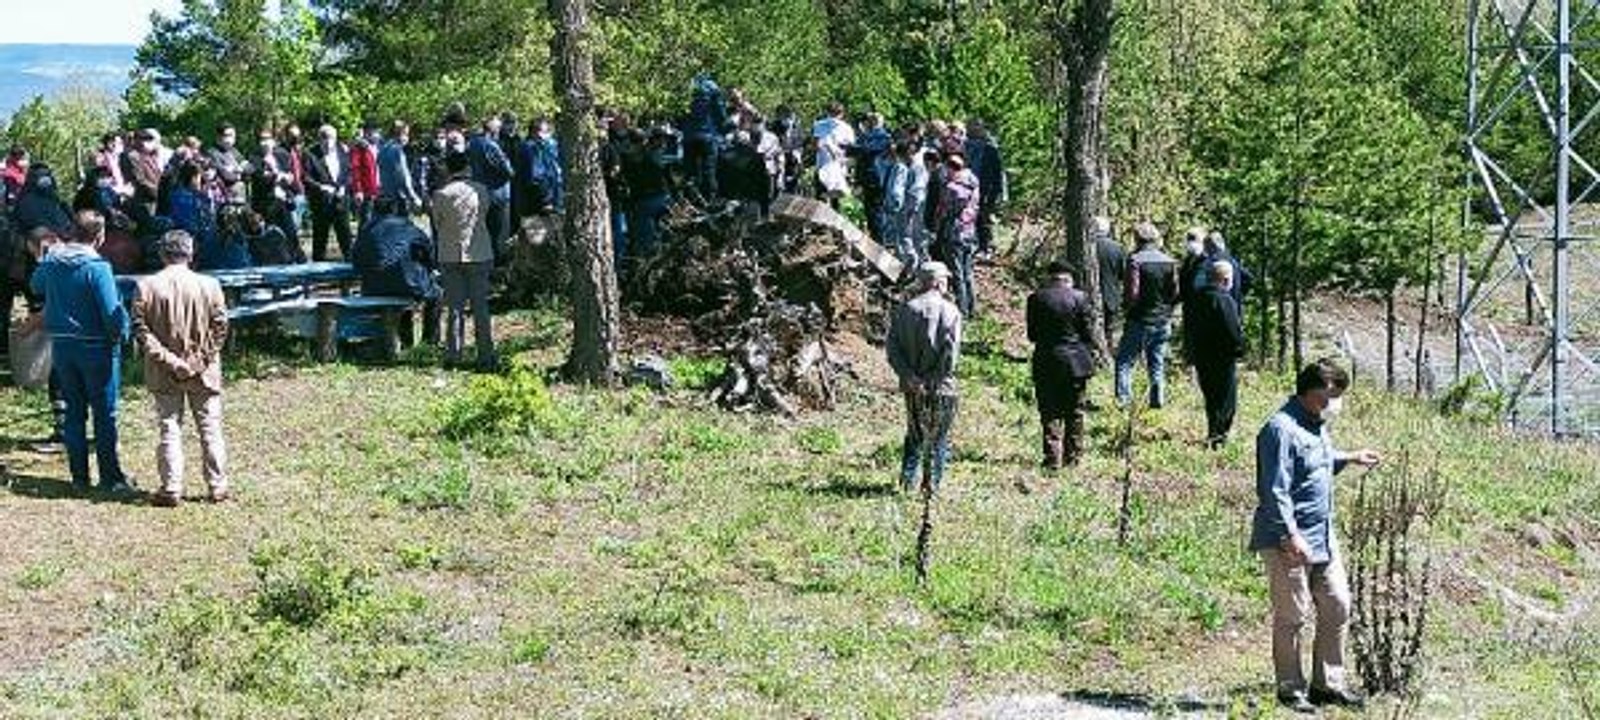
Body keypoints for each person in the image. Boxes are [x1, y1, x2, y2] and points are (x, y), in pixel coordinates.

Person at [1250, 359, 1381, 713]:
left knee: (1337, 603)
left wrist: (1350, 458)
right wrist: (1289, 535)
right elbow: (1274, 489)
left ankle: (1329, 685)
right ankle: (1290, 689)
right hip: (1287, 540)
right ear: (1310, 392)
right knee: (1292, 615)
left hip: (1322, 537)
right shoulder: (1279, 429)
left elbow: (1316, 464)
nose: (1335, 403)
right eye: (1330, 395)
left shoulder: (1315, 425)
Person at [30, 210, 133, 495]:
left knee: (75, 411)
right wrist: (122, 336)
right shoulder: (97, 267)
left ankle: (79, 476)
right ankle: (111, 477)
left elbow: (35, 285)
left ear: (72, 232)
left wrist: (48, 256)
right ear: (100, 236)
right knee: (105, 413)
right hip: (96, 347)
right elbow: (111, 313)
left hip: (63, 347)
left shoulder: (52, 261)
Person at [132, 230, 230, 507]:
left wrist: (171, 362)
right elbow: (220, 328)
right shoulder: (210, 285)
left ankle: (171, 486)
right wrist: (197, 362)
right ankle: (218, 485)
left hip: (164, 371)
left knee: (169, 427)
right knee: (210, 427)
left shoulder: (146, 286)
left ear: (163, 253)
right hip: (204, 370)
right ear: (191, 253)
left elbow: (142, 332)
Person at [886, 261, 963, 493]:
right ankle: (932, 485)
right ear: (939, 282)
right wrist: (935, 377)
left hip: (912, 386)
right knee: (939, 437)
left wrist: (909, 376)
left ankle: (907, 482)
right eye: (946, 279)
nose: (948, 283)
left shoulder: (905, 309)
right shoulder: (951, 311)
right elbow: (951, 352)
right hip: (942, 386)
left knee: (915, 433)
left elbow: (892, 348)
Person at [1026, 260, 1098, 470]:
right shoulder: (1080, 297)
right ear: (1069, 279)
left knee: (1049, 410)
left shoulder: (1036, 298)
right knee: (1075, 411)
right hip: (1076, 361)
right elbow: (1088, 333)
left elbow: (1032, 335)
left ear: (1050, 277)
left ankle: (1052, 458)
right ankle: (1073, 457)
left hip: (1046, 359)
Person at [431, 151, 497, 370]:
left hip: (450, 254)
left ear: (449, 170)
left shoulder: (441, 194)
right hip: (479, 252)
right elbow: (486, 215)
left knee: (455, 308)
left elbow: (437, 224)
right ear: (467, 167)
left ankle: (454, 355)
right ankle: (486, 355)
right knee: (481, 307)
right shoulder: (481, 190)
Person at [1114, 222, 1181, 409]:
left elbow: (1132, 295)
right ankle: (1157, 399)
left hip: (1139, 320)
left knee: (1124, 361)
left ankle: (1124, 401)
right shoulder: (1169, 262)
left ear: (1137, 239)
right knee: (1157, 362)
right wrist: (1167, 310)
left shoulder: (1135, 261)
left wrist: (1128, 309)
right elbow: (1175, 293)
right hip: (1163, 320)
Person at [1190, 261, 1246, 447]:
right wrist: (1239, 349)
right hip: (1222, 356)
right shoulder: (1224, 300)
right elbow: (1232, 329)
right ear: (1226, 278)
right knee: (1226, 398)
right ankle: (1220, 436)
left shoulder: (1197, 298)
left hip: (1201, 354)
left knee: (1211, 396)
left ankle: (1213, 431)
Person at [352, 198, 440, 304]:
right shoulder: (406, 226)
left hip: (372, 287)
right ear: (395, 209)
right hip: (408, 284)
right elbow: (428, 250)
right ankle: (427, 320)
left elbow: (355, 259)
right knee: (436, 294)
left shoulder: (366, 230)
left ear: (373, 211)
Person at [935, 154, 981, 317]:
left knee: (957, 273)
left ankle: (962, 309)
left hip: (953, 234)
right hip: (970, 232)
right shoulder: (974, 184)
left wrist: (936, 227)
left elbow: (942, 211)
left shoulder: (951, 188)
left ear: (949, 167)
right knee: (968, 273)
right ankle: (973, 307)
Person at [467, 117, 515, 263]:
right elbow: (508, 170)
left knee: (484, 230)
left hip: (478, 191)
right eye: (498, 128)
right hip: (497, 195)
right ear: (494, 130)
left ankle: (483, 258)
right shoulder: (490, 146)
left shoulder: (473, 143)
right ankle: (497, 262)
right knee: (498, 232)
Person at [304, 125, 353, 261]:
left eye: (331, 138)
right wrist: (321, 187)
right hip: (321, 204)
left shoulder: (342, 150)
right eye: (324, 138)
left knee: (346, 237)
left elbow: (349, 172)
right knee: (320, 239)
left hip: (341, 201)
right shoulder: (310, 153)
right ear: (319, 139)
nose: (327, 142)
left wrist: (344, 186)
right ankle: (317, 273)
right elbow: (306, 178)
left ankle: (351, 267)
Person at [683, 73, 729, 201]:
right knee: (709, 170)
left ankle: (691, 202)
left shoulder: (685, 85)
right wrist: (725, 127)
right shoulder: (712, 86)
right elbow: (720, 112)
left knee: (690, 172)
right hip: (707, 135)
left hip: (688, 136)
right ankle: (709, 201)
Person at [964, 120, 1006, 261]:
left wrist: (997, 192)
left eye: (974, 128)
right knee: (972, 217)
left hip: (985, 189)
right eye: (970, 128)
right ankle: (975, 244)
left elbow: (997, 173)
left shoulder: (990, 150)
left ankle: (986, 247)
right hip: (968, 188)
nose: (971, 131)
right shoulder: (965, 147)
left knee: (984, 218)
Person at [812, 102, 856, 205]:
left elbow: (815, 145)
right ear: (842, 114)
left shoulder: (819, 125)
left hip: (822, 165)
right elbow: (851, 149)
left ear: (827, 112)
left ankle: (820, 219)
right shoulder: (847, 128)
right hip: (839, 167)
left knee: (820, 198)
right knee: (836, 199)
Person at [1094, 216, 1127, 347]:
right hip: (1111, 296)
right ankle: (1106, 351)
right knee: (1108, 330)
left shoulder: (1083, 246)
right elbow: (1123, 274)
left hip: (1085, 295)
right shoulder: (1117, 248)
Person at [378, 121, 423, 215]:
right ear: (400, 135)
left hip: (384, 197)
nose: (408, 138)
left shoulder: (382, 149)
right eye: (406, 134)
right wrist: (413, 197)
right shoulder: (397, 151)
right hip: (398, 198)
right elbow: (403, 177)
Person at [206, 124, 251, 204]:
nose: (232, 138)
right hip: (223, 201)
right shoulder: (212, 153)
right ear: (219, 137)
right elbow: (226, 176)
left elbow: (250, 168)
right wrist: (240, 173)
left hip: (241, 198)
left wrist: (236, 170)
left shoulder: (234, 152)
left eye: (233, 135)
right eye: (228, 135)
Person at [350, 124, 382, 223]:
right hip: (367, 190)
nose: (377, 135)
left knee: (377, 220)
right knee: (366, 220)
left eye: (378, 133)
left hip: (379, 188)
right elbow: (355, 170)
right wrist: (358, 190)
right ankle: (363, 238)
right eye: (375, 133)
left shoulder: (378, 147)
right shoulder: (359, 148)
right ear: (367, 133)